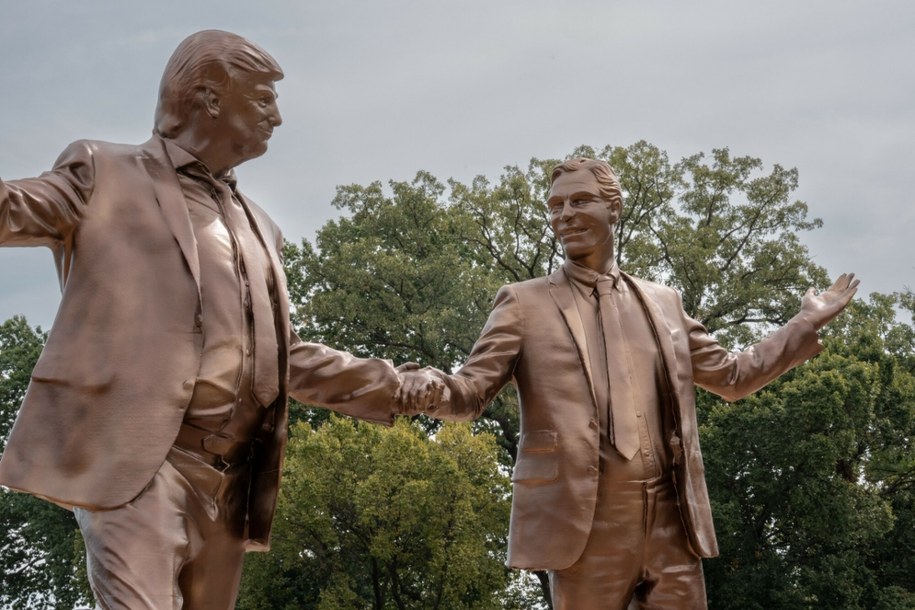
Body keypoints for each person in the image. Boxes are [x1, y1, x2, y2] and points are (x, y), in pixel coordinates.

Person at [0, 30, 421, 609]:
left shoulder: (261, 226)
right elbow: (14, 207)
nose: (277, 116)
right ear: (210, 97)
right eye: (263, 99)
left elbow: (285, 356)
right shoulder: (103, 172)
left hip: (230, 484)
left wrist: (400, 387)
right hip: (139, 471)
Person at [398, 157, 858, 609]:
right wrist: (430, 384)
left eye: (580, 200)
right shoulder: (522, 303)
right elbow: (471, 391)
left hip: (673, 524)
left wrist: (803, 323)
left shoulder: (664, 303)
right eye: (555, 206)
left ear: (614, 208)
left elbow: (733, 376)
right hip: (586, 525)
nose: (565, 215)